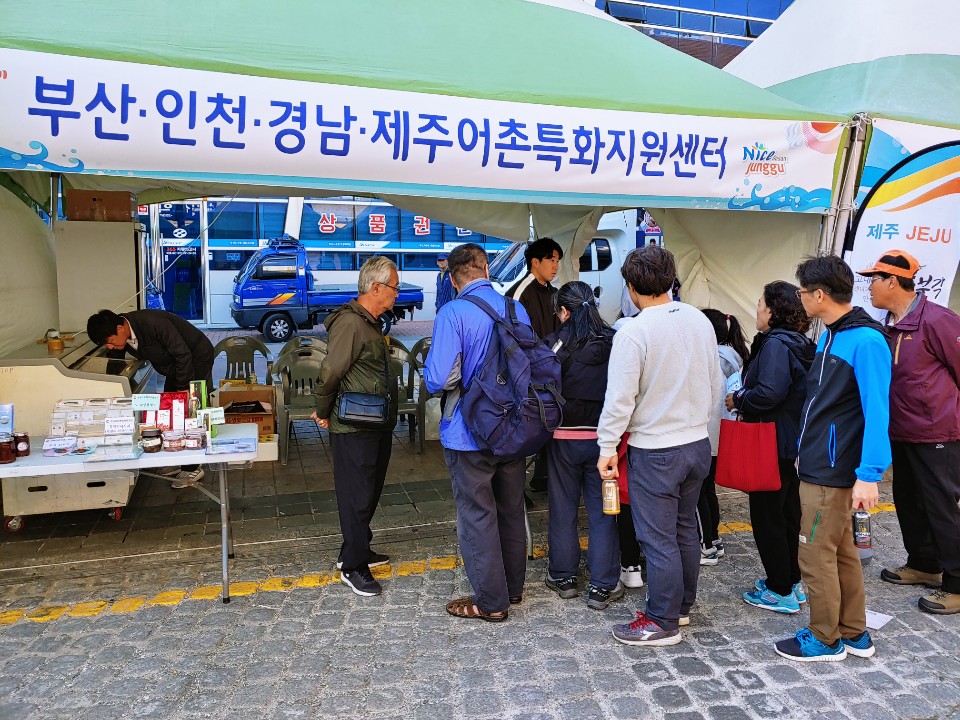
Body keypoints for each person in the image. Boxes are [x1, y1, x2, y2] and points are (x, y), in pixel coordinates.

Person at [596, 246, 723, 647]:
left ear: (631, 288)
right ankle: (681, 606)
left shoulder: (633, 331)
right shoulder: (699, 319)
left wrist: (606, 448)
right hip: (696, 442)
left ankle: (662, 619)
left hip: (656, 449)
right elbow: (715, 381)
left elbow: (620, 399)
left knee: (657, 537)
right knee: (685, 528)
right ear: (671, 280)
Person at [773, 255, 891, 662]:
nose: (800, 299)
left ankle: (824, 638)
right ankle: (854, 632)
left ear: (820, 295)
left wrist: (870, 474)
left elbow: (878, 412)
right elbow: (822, 407)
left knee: (813, 552)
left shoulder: (866, 341)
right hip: (821, 463)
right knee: (840, 551)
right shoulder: (832, 335)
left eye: (803, 292)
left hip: (833, 470)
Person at [424, 243, 531, 622]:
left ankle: (491, 601)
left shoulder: (452, 312)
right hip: (514, 428)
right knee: (510, 510)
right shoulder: (516, 309)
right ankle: (513, 589)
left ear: (453, 279)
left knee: (477, 514)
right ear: (486, 269)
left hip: (468, 432)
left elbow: (439, 377)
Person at [858, 250, 960, 615]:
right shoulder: (886, 325)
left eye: (874, 279)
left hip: (938, 434)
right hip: (901, 431)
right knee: (909, 501)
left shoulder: (939, 321)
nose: (869, 287)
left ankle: (957, 583)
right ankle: (925, 564)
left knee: (942, 508)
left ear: (892, 282)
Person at [309, 256, 399, 598]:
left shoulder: (371, 322)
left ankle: (358, 548)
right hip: (354, 425)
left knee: (369, 490)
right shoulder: (350, 323)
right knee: (356, 494)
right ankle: (352, 566)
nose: (397, 293)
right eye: (394, 287)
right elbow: (331, 371)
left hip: (375, 421)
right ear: (376, 288)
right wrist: (322, 409)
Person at [727, 282, 815, 614]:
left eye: (761, 304)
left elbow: (769, 393)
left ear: (773, 311)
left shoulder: (776, 345)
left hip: (770, 442)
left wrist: (738, 398)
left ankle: (780, 590)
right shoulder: (800, 342)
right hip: (789, 442)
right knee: (788, 513)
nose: (757, 310)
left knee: (768, 518)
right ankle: (790, 580)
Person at [542, 281, 622, 610]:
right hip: (605, 442)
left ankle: (564, 577)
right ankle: (603, 585)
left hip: (562, 440)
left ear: (563, 312)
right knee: (604, 511)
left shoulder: (553, 345)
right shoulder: (616, 341)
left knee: (562, 509)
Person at [86, 308, 215, 488]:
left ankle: (193, 465)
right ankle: (177, 457)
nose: (110, 346)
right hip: (174, 364)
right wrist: (113, 393)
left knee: (189, 409)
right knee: (171, 410)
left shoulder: (152, 323)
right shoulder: (122, 338)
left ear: (120, 328)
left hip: (195, 356)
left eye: (110, 342)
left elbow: (182, 353)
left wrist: (182, 389)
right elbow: (115, 361)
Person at [507, 237, 564, 492]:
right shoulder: (519, 293)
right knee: (525, 429)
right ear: (535, 262)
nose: (555, 266)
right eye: (551, 260)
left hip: (551, 372)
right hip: (526, 374)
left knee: (550, 424)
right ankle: (516, 489)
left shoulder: (554, 294)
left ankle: (542, 476)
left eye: (558, 261)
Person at [699, 309, 749, 566]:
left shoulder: (708, 360)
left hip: (704, 434)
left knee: (698, 494)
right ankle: (714, 538)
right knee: (708, 491)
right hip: (721, 436)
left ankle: (705, 545)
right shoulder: (733, 359)